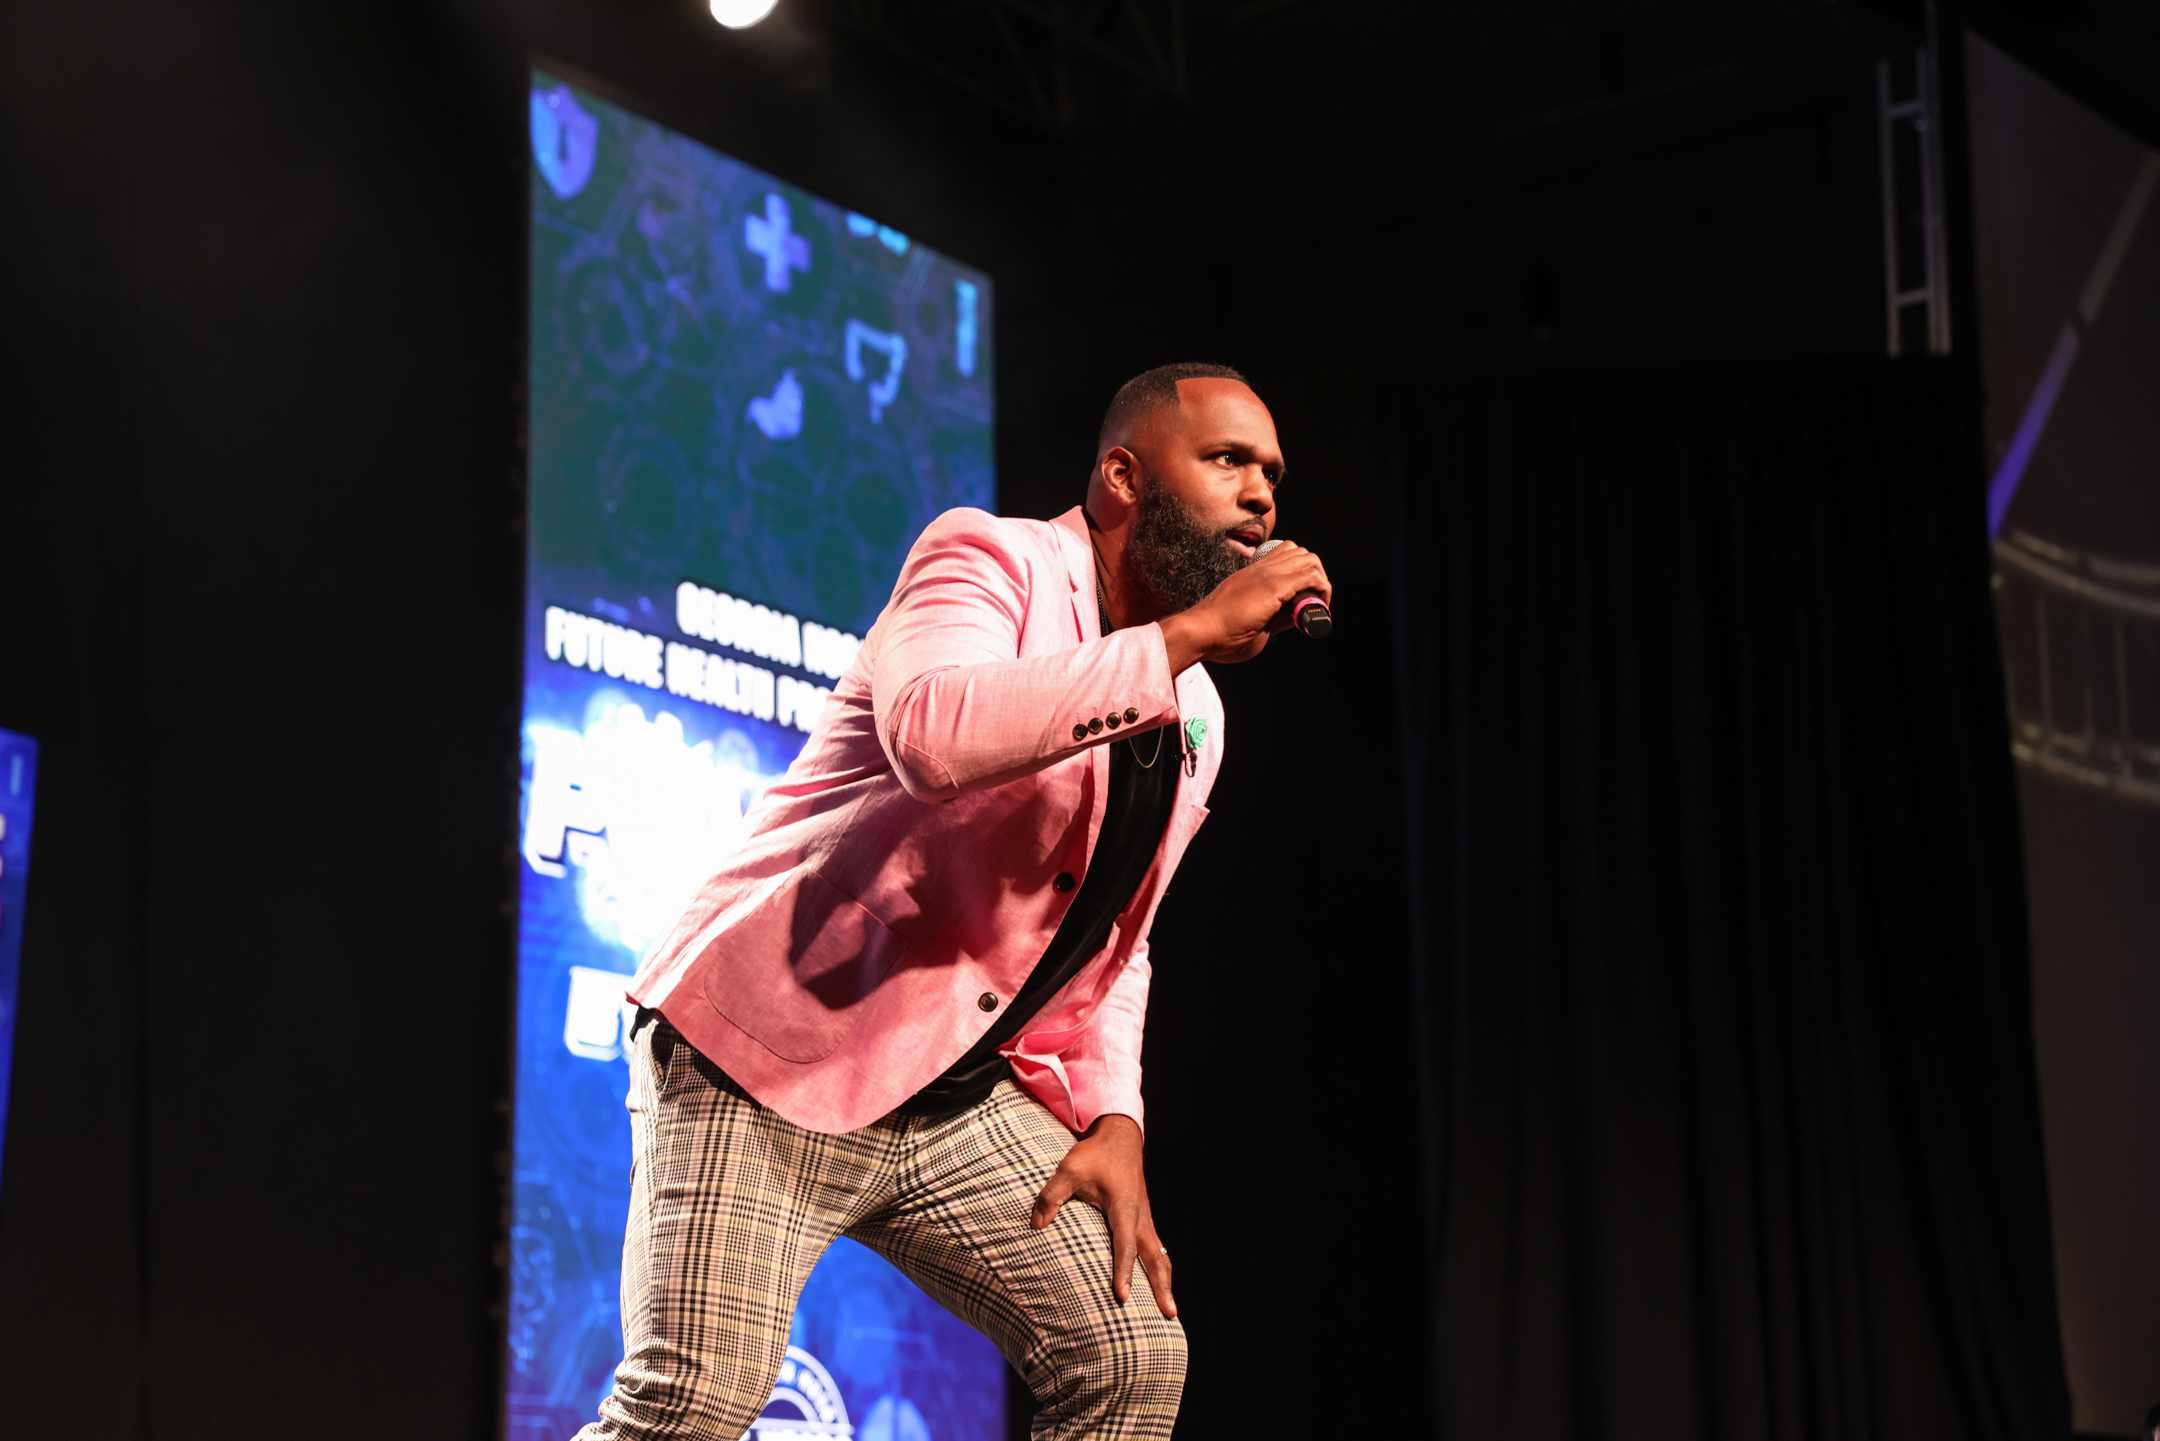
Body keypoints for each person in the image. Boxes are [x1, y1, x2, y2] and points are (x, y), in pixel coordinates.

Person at [578, 362, 1330, 1440]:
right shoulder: (989, 558)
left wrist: (1116, 1112)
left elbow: (1119, 935)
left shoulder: (1196, 713)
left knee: (1127, 1353)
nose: (1262, 494)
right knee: (693, 1401)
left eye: (1271, 472)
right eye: (1227, 461)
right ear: (1123, 476)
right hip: (761, 1051)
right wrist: (1186, 639)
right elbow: (934, 735)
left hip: (944, 1090)